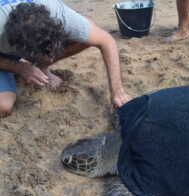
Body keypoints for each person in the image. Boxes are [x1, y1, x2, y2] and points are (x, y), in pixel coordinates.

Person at [0, 0, 130, 117]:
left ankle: (41, 67)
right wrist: (20, 67)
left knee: (89, 30)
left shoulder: (57, 13)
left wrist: (117, 92)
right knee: (4, 106)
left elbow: (106, 41)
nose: (50, 57)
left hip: (21, 40)